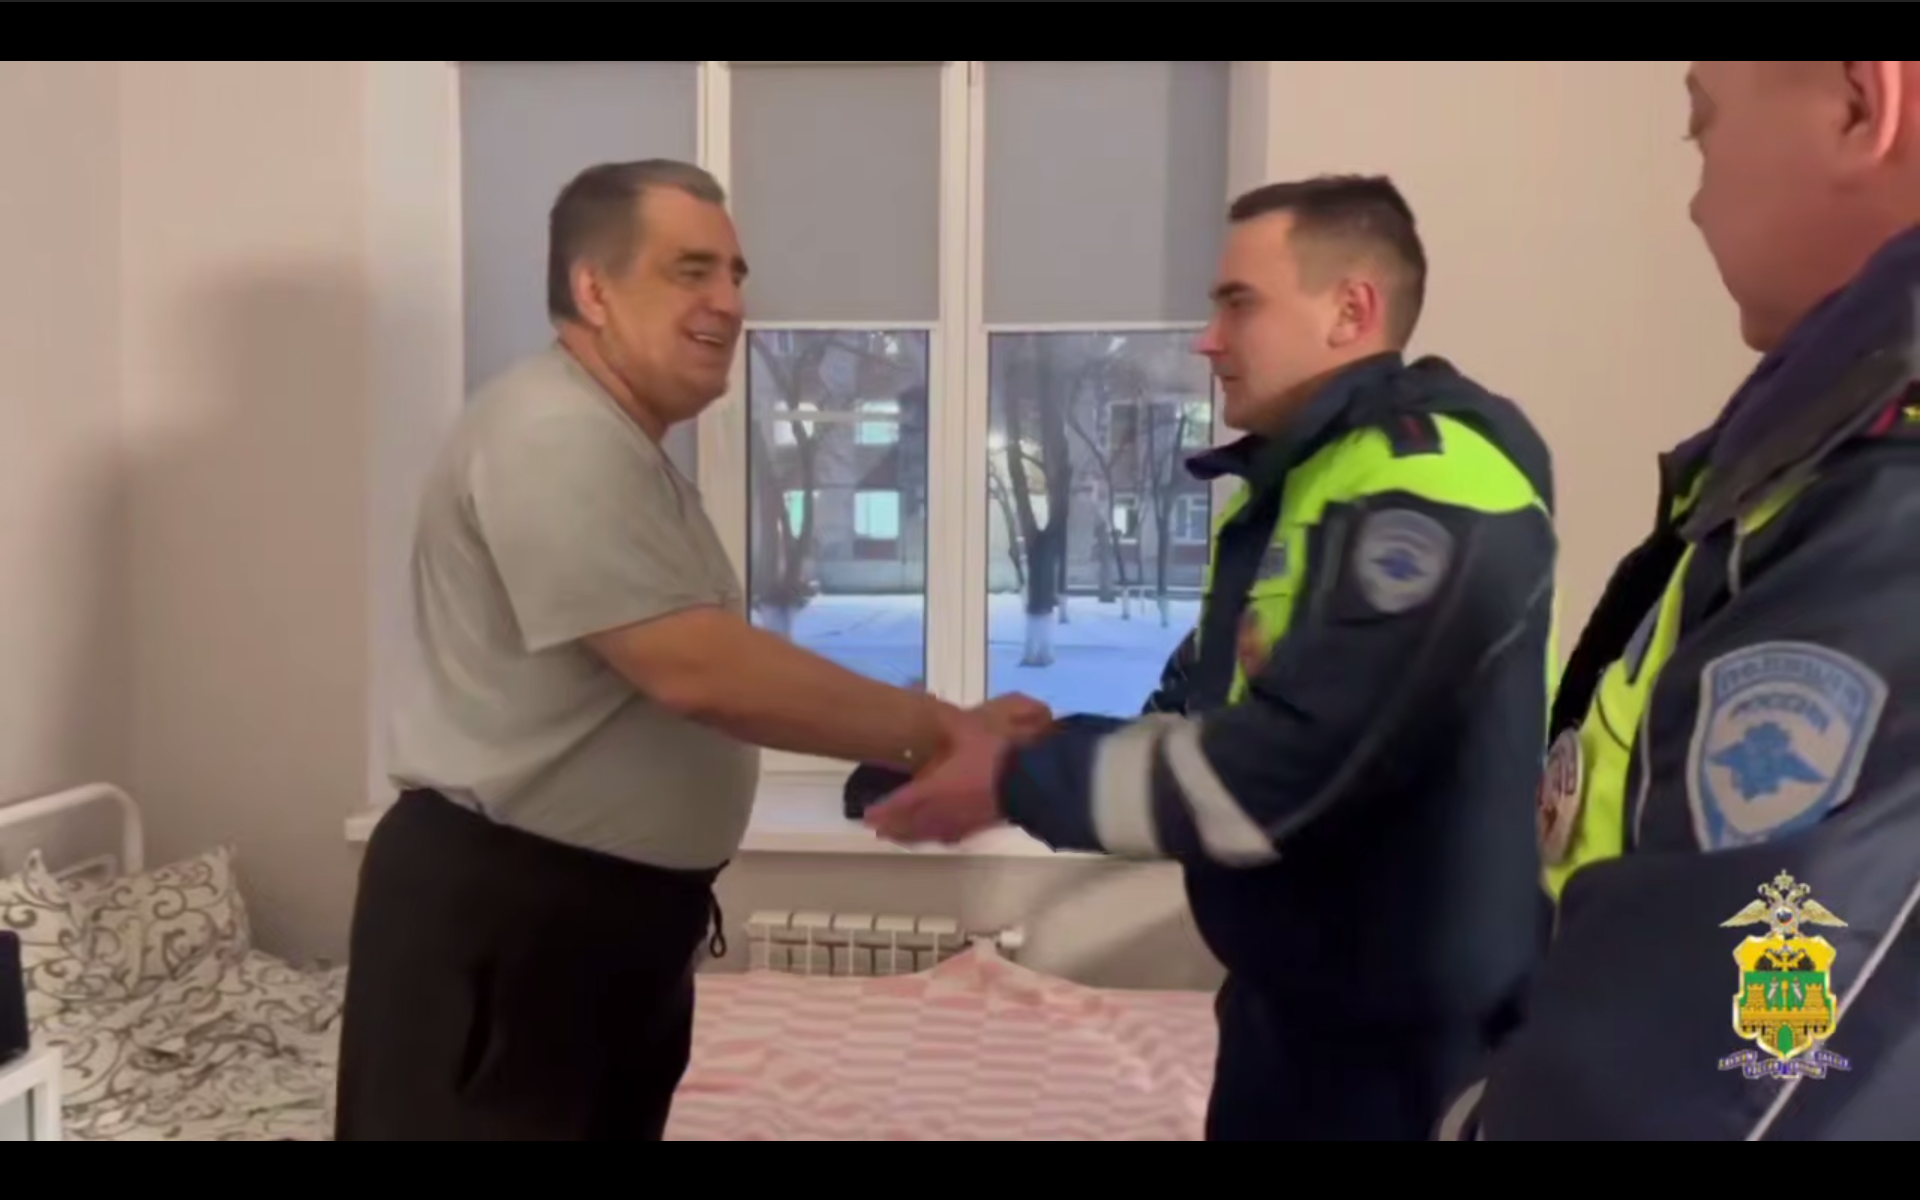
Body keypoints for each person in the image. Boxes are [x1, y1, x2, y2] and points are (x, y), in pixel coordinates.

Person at [334, 159, 1045, 1142]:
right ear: (593, 290)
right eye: (691, 271)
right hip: (515, 920)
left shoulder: (619, 447)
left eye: (736, 275)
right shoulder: (552, 434)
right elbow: (696, 668)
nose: (730, 303)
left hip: (596, 925)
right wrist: (945, 733)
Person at [866, 175, 1561, 1141]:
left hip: (1405, 1051)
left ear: (1350, 310)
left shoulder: (1435, 484)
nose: (1207, 338)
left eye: (1239, 303)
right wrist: (1007, 743)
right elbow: (1212, 721)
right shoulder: (1302, 488)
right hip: (1292, 1013)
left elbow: (1290, 765)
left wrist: (1015, 778)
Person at [1438, 61, 1920, 1143]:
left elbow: (1741, 1071)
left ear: (1860, 103)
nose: (1694, 199)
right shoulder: (1808, 465)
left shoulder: (1889, 495)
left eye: (1701, 125)